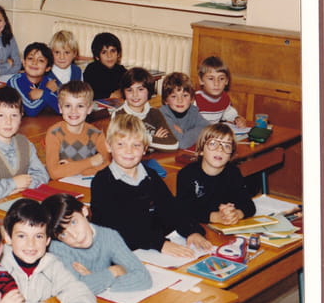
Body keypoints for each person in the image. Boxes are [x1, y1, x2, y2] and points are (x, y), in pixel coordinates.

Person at [91, 113, 212, 257]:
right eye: (121, 144)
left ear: (145, 148)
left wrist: (192, 231)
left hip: (152, 249)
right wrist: (159, 243)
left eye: (136, 145)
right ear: (108, 146)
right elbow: (119, 228)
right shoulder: (102, 182)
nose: (129, 151)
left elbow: (172, 209)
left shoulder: (150, 176)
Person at [0, 198, 96, 303]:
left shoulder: (52, 265)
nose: (31, 244)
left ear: (47, 240)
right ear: (8, 237)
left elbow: (76, 289)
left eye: (38, 236)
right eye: (22, 236)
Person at [42, 193, 152, 296]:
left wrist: (96, 280)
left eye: (73, 222)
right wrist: (114, 271)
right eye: (63, 234)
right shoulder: (57, 248)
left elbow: (143, 278)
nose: (75, 236)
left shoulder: (109, 236)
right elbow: (75, 289)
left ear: (84, 211)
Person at [177, 123, 256, 225]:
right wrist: (216, 217)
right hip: (198, 227)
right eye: (213, 143)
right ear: (201, 150)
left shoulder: (233, 172)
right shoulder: (187, 174)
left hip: (224, 226)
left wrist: (236, 214)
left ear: (231, 155)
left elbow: (248, 205)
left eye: (227, 146)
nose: (220, 149)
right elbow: (185, 210)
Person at [44, 80, 109, 180]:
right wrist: (91, 162)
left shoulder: (96, 133)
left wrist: (76, 170)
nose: (73, 111)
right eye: (68, 106)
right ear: (60, 108)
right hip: (61, 186)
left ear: (89, 108)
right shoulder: (54, 133)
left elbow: (110, 163)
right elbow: (54, 173)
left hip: (86, 182)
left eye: (80, 106)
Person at [112, 67, 179, 150]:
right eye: (129, 90)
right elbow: (123, 147)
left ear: (149, 91)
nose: (135, 94)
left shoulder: (155, 113)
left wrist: (145, 140)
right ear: (124, 92)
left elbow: (173, 144)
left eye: (140, 89)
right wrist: (155, 140)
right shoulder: (118, 115)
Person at [6, 42, 59, 117]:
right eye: (30, 58)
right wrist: (47, 91)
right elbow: (31, 110)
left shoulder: (50, 82)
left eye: (40, 60)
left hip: (45, 122)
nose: (34, 62)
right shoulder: (15, 81)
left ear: (48, 68)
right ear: (24, 62)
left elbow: (61, 108)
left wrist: (42, 93)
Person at [159, 71, 210, 149]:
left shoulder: (192, 111)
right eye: (174, 96)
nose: (180, 100)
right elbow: (181, 143)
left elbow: (208, 127)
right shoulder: (162, 115)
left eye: (185, 95)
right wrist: (198, 131)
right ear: (166, 100)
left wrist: (184, 133)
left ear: (192, 99)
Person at [195, 56, 247, 126]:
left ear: (226, 81)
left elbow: (229, 113)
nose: (216, 83)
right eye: (211, 78)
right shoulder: (194, 99)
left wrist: (237, 119)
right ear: (201, 80)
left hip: (213, 131)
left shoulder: (224, 98)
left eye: (221, 78)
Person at [83, 32, 127, 100]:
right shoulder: (91, 69)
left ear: (118, 54)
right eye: (104, 52)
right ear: (97, 56)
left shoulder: (121, 71)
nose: (109, 56)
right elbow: (88, 93)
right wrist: (110, 95)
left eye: (113, 51)